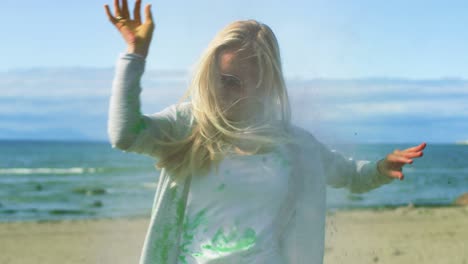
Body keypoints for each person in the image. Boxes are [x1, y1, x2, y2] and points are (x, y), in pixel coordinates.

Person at [104, 1, 427, 263]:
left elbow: (351, 176)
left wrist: (382, 168)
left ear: (267, 84)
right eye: (225, 80)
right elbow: (125, 135)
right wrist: (134, 56)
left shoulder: (294, 144)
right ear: (209, 73)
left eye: (247, 83)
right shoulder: (188, 124)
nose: (232, 93)